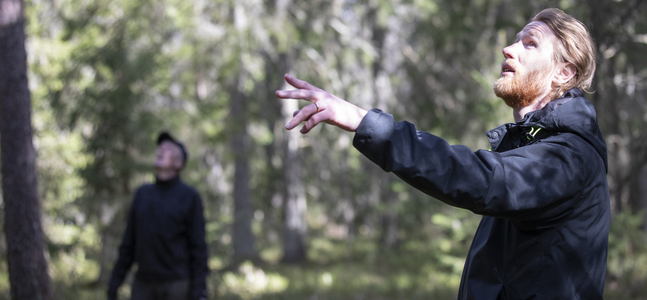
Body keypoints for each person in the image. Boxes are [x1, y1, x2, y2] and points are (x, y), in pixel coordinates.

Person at [276, 8, 608, 300]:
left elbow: (482, 178)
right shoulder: (533, 146)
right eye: (515, 40)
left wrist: (365, 122)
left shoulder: (570, 156)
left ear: (564, 73)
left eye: (530, 43)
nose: (508, 49)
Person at [108, 132, 209, 300]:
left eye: (168, 149)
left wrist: (200, 292)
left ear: (179, 163)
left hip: (177, 286)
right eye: (160, 147)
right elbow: (129, 243)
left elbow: (198, 248)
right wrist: (114, 283)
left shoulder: (189, 197)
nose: (161, 150)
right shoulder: (142, 194)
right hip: (143, 286)